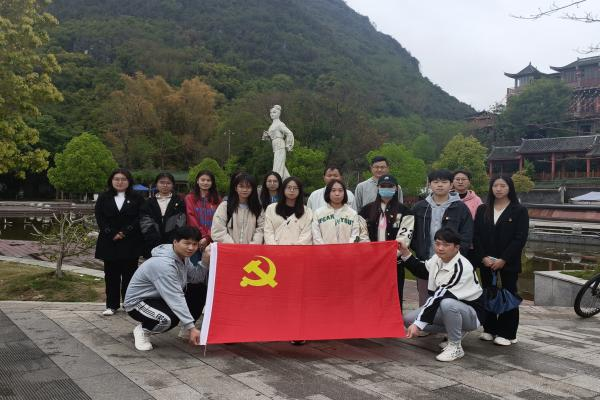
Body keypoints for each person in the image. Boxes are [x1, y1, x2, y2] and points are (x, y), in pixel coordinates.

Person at [400, 227, 485, 362]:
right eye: (437, 243)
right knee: (408, 320)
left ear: (457, 247)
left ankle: (455, 346)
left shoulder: (461, 267)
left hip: (472, 314)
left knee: (447, 304)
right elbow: (421, 270)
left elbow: (440, 296)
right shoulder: (437, 259)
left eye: (446, 245)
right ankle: (457, 330)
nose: (440, 248)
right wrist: (405, 252)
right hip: (447, 306)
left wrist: (419, 325)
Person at [123, 226, 209, 351]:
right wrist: (191, 327)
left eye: (195, 244)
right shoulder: (163, 264)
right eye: (187, 243)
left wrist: (205, 261)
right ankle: (143, 330)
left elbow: (196, 278)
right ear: (175, 242)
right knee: (169, 319)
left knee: (198, 289)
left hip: (159, 298)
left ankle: (187, 330)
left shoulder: (183, 257)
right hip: (137, 303)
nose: (191, 248)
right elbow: (175, 297)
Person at [473, 176, 529, 346]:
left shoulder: (519, 210)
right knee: (488, 292)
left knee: (508, 294)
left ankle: (507, 332)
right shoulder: (483, 209)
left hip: (508, 262)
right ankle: (489, 328)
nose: (498, 189)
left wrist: (504, 259)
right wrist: (483, 257)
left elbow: (520, 238)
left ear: (509, 188)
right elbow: (476, 235)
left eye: (502, 186)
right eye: (495, 185)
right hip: (487, 261)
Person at [411, 169, 473, 306]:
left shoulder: (460, 208)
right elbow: (412, 233)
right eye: (436, 182)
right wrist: (418, 249)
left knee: (449, 300)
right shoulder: (420, 207)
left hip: (451, 263)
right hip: (426, 260)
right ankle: (426, 318)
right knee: (425, 297)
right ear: (430, 185)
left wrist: (457, 254)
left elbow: (467, 234)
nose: (440, 185)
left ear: (451, 185)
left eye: (444, 182)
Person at [94, 168, 144, 316]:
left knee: (130, 275)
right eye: (116, 179)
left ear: (129, 181)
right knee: (111, 276)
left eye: (123, 179)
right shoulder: (104, 197)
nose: (120, 182)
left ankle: (129, 304)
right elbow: (99, 217)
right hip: (109, 241)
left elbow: (140, 217)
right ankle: (111, 305)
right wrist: (111, 233)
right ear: (111, 181)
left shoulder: (137, 198)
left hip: (130, 241)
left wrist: (124, 232)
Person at [359, 174, 414, 306]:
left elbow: (404, 237)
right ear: (378, 188)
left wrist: (390, 256)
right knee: (371, 294)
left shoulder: (405, 211)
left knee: (394, 295)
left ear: (396, 188)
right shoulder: (366, 210)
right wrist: (371, 255)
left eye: (390, 186)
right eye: (383, 186)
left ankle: (394, 318)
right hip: (371, 261)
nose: (386, 188)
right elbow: (362, 234)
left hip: (394, 262)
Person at [139, 172, 186, 258]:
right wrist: (154, 239)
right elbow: (145, 222)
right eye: (162, 182)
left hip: (173, 244)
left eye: (168, 183)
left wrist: (173, 239)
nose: (165, 185)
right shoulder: (148, 203)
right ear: (156, 184)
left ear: (172, 185)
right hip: (152, 243)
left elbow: (181, 221)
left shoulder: (179, 202)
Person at [211, 173, 265, 244]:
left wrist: (253, 245)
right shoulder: (225, 206)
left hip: (251, 249)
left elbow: (261, 229)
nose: (245, 190)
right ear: (236, 188)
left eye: (248, 187)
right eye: (241, 186)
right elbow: (218, 230)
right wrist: (233, 246)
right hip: (229, 248)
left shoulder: (258, 208)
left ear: (252, 189)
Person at [264, 177, 313, 245]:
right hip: (273, 249)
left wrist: (294, 249)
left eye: (295, 188)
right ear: (283, 189)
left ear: (300, 191)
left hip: (298, 250)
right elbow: (268, 232)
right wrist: (275, 248)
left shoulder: (307, 212)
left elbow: (306, 236)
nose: (292, 190)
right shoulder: (271, 208)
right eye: (289, 187)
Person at [312, 179, 363, 244]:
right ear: (328, 193)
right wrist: (324, 249)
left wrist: (347, 248)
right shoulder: (318, 213)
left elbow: (355, 235)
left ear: (344, 193)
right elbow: (316, 236)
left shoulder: (352, 213)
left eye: (340, 190)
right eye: (333, 190)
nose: (337, 194)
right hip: (324, 249)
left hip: (347, 249)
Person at [184, 170, 221, 258]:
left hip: (213, 239)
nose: (205, 182)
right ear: (197, 181)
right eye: (203, 180)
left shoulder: (218, 199)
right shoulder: (189, 198)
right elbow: (191, 218)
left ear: (212, 183)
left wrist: (207, 237)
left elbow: (219, 221)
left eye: (208, 180)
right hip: (194, 239)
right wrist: (202, 236)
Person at [262, 105, 294, 179]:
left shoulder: (280, 124)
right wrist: (267, 135)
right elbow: (271, 137)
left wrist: (288, 144)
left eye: (274, 112)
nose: (272, 114)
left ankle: (277, 180)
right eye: (271, 112)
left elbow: (289, 133)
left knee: (278, 166)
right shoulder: (272, 125)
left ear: (279, 113)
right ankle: (287, 180)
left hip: (280, 145)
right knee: (280, 165)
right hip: (275, 146)